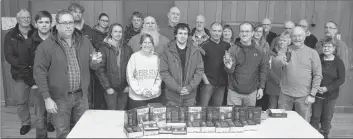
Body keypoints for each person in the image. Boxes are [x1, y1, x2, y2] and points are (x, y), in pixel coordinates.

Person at [33, 9, 102, 138]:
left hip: (81, 96)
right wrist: (47, 98)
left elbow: (93, 66)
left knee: (83, 129)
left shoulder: (84, 41)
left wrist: (96, 61)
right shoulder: (46, 46)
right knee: (63, 132)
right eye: (64, 23)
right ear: (57, 25)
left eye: (70, 22)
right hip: (59, 98)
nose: (68, 26)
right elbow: (39, 73)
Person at [273, 27, 322, 122]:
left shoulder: (312, 53)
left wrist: (312, 94)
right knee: (282, 122)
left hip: (304, 96)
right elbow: (276, 62)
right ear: (291, 38)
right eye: (294, 36)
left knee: (303, 124)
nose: (297, 38)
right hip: (285, 94)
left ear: (304, 37)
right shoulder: (285, 50)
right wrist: (280, 61)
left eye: (299, 36)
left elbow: (318, 75)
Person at [23, 10, 55, 138]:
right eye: (40, 22)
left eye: (47, 22)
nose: (44, 25)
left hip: (56, 83)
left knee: (57, 114)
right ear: (35, 24)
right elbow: (23, 65)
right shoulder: (28, 43)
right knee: (41, 117)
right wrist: (32, 83)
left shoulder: (57, 41)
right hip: (38, 84)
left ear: (51, 24)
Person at [4, 9, 35, 135]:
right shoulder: (10, 35)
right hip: (20, 74)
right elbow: (9, 56)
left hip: (37, 72)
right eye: (23, 18)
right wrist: (26, 65)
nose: (26, 20)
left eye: (28, 17)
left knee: (43, 99)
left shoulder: (37, 33)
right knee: (21, 100)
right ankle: (26, 123)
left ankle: (46, 121)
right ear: (18, 19)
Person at [224, 22, 268, 106]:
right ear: (239, 33)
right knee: (233, 118)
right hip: (234, 93)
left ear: (252, 33)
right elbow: (229, 71)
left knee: (249, 118)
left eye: (247, 31)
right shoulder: (233, 49)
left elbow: (263, 69)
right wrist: (228, 67)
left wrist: (261, 88)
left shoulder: (260, 51)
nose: (244, 34)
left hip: (251, 93)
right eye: (242, 31)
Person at [160, 23, 204, 106]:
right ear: (175, 35)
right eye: (180, 33)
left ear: (188, 36)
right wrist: (177, 88)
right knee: (174, 118)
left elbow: (199, 71)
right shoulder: (167, 51)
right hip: (172, 96)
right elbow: (164, 72)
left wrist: (190, 87)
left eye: (185, 33)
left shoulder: (195, 52)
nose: (183, 36)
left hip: (190, 95)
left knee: (189, 118)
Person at [310, 37, 346, 139]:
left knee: (327, 118)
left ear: (334, 48)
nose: (326, 48)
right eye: (324, 46)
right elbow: (312, 73)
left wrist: (327, 88)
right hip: (316, 94)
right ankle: (313, 135)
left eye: (329, 46)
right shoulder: (318, 58)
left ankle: (324, 135)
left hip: (331, 95)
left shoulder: (339, 62)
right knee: (315, 117)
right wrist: (316, 87)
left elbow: (341, 79)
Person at [96, 23, 132, 110]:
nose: (118, 34)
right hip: (111, 89)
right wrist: (107, 87)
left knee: (121, 114)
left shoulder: (127, 49)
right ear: (111, 33)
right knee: (111, 115)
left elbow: (132, 69)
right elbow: (100, 70)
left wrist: (128, 85)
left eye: (120, 32)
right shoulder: (103, 49)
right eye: (115, 31)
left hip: (124, 89)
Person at [126, 34, 162, 109]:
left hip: (154, 97)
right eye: (145, 42)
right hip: (137, 99)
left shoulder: (156, 58)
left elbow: (159, 78)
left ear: (153, 45)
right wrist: (142, 91)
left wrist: (153, 91)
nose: (147, 45)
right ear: (140, 44)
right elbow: (130, 77)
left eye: (149, 43)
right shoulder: (134, 57)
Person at [199, 22, 230, 106]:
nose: (217, 33)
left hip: (221, 84)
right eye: (214, 31)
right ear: (210, 31)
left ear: (222, 32)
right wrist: (206, 82)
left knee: (217, 111)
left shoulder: (227, 46)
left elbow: (229, 63)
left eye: (219, 31)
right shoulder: (203, 46)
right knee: (203, 109)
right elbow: (199, 66)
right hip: (207, 84)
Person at [265, 32, 291, 109]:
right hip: (273, 85)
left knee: (283, 110)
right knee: (272, 108)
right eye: (280, 40)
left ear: (289, 42)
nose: (281, 42)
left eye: (284, 40)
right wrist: (278, 81)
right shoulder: (270, 53)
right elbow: (268, 69)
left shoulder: (291, 53)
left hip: (286, 87)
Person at [252, 24, 271, 110]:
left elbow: (266, 62)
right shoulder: (249, 43)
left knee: (260, 101)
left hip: (262, 75)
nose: (257, 33)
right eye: (256, 31)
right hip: (251, 75)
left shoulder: (266, 44)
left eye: (260, 31)